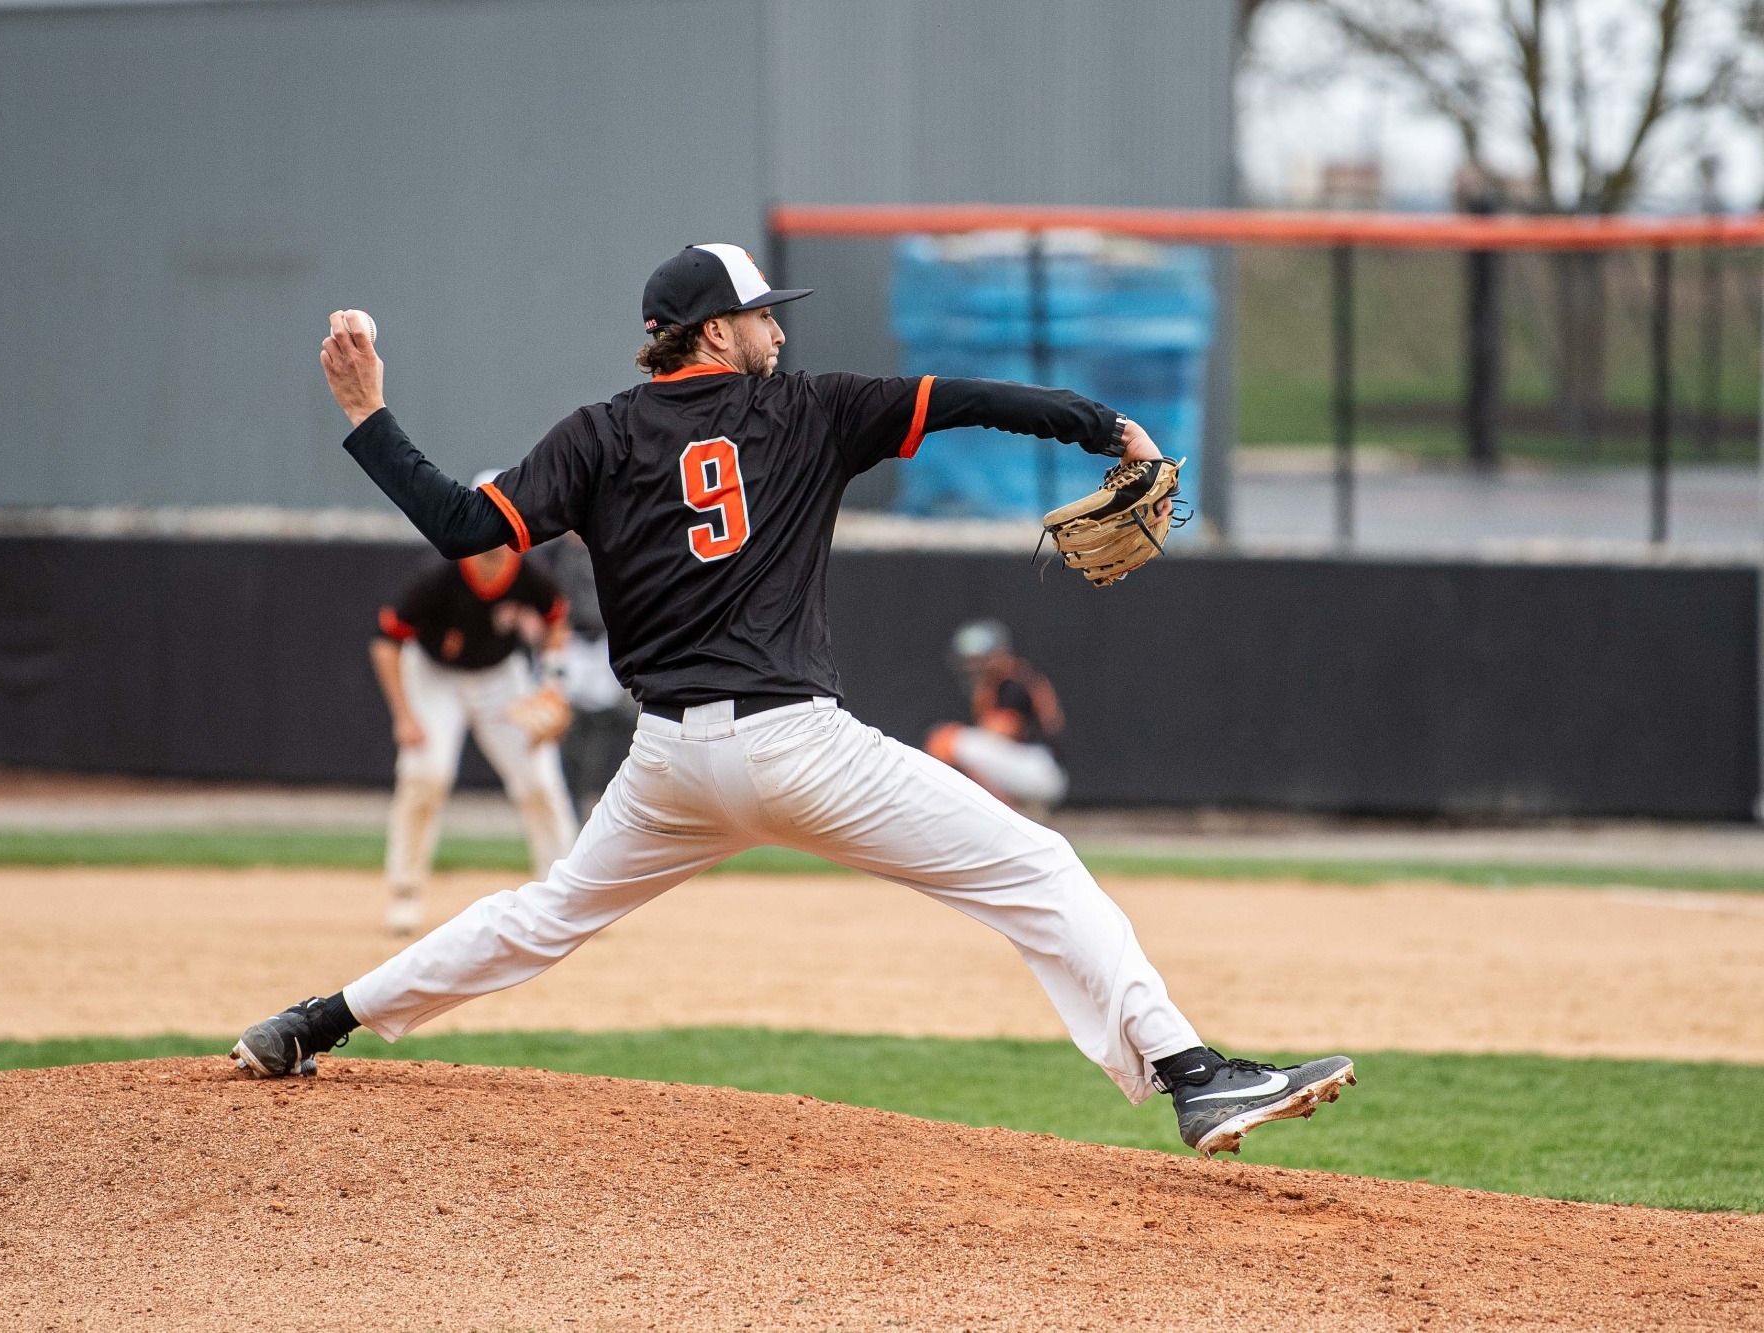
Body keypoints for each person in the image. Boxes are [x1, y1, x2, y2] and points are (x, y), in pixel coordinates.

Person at [234, 243, 1354, 1158]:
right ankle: (1193, 1075)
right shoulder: (813, 409)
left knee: (544, 914)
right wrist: (1105, 426)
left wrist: (369, 415)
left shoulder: (599, 433)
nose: (777, 328)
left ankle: (312, 1022)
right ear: (716, 331)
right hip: (794, 746)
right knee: (1039, 871)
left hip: (668, 764)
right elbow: (970, 399)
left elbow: (463, 526)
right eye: (762, 313)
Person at [369, 503, 580, 935]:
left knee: (539, 780)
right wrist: (403, 715)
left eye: (503, 527)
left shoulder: (527, 573)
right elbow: (386, 642)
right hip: (435, 676)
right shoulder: (439, 574)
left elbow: (557, 621)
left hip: (500, 676)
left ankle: (567, 898)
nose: (495, 537)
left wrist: (553, 684)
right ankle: (406, 892)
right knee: (426, 775)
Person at [527, 532, 639, 821]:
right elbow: (538, 599)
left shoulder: (611, 543)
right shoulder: (552, 552)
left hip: (606, 643)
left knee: (611, 723)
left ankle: (602, 795)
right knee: (566, 725)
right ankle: (570, 799)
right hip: (568, 643)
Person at [926, 619, 1069, 811]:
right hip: (1030, 766)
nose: (973, 666)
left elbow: (1003, 731)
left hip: (1042, 768)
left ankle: (1005, 812)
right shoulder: (997, 685)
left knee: (948, 742)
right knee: (958, 749)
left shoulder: (1013, 684)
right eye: (969, 660)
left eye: (979, 659)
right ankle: (1010, 810)